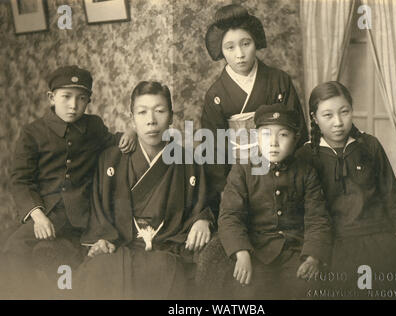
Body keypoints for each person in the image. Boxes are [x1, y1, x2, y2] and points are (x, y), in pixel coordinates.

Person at [3, 65, 136, 298]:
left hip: (84, 214)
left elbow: (113, 140)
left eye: (81, 98)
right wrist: (38, 216)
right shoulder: (32, 133)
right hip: (46, 213)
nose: (73, 105)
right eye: (66, 97)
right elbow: (20, 180)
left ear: (88, 101)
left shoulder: (93, 126)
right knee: (13, 249)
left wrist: (131, 133)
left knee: (18, 249)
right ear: (51, 97)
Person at [77, 81, 214, 299]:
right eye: (142, 113)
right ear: (132, 119)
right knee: (99, 271)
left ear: (171, 116)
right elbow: (100, 207)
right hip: (120, 244)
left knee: (168, 270)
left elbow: (201, 203)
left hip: (166, 247)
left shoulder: (188, 161)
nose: (151, 120)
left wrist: (202, 219)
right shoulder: (110, 159)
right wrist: (104, 238)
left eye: (160, 111)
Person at [296, 81, 396, 298]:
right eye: (328, 115)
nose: (338, 122)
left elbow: (390, 193)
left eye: (344, 112)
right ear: (314, 118)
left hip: (377, 235)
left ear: (352, 110)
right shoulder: (306, 156)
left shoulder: (370, 145)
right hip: (334, 241)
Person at [217, 103, 332, 299]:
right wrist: (241, 252)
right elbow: (230, 216)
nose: (274, 143)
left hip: (295, 250)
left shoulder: (306, 172)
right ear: (256, 138)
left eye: (283, 135)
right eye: (266, 134)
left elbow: (317, 219)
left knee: (307, 290)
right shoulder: (243, 170)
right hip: (256, 250)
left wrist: (313, 256)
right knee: (249, 292)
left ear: (295, 140)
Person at [202, 4, 308, 215]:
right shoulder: (215, 94)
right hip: (238, 178)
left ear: (255, 42)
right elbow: (215, 152)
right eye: (230, 47)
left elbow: (298, 133)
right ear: (220, 51)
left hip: (281, 173)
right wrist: (227, 192)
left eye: (246, 43)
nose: (239, 54)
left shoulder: (279, 80)